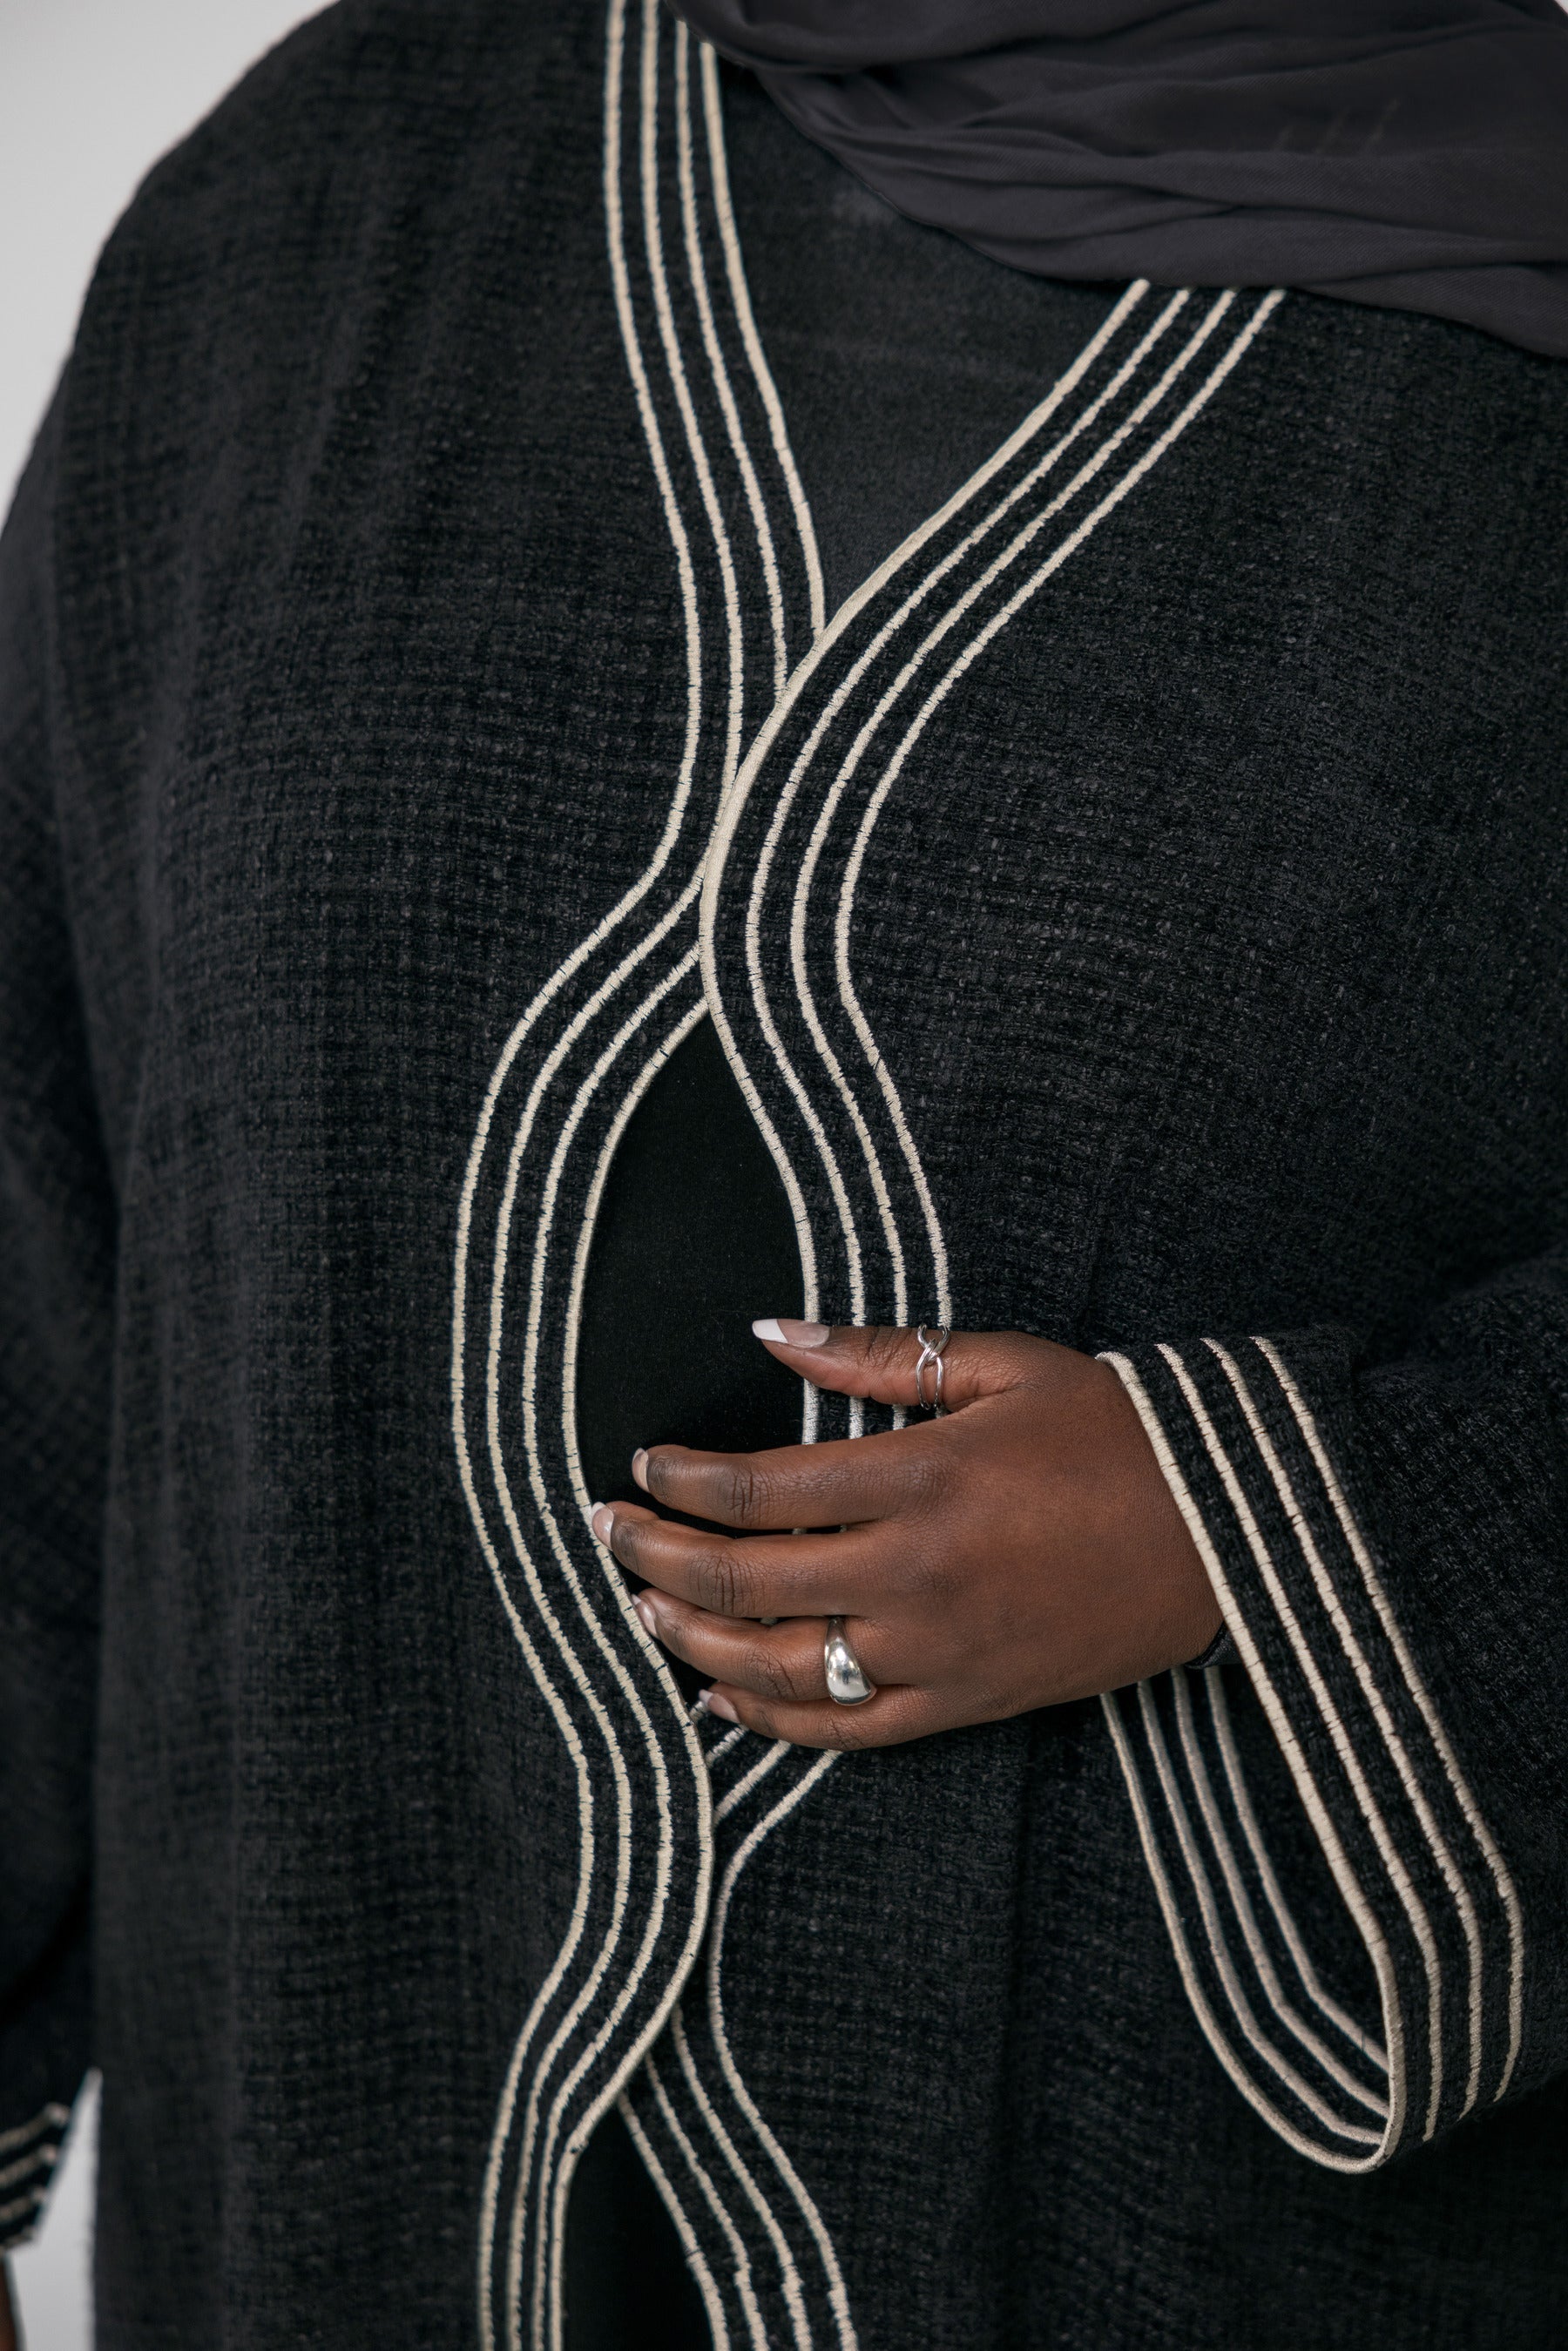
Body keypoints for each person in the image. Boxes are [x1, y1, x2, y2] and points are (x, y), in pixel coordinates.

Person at [2, 2, 1566, 2343]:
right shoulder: (302, 230)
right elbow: (35, 1211)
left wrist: (1266, 1527)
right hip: (343, 2165)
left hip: (1191, 2216)